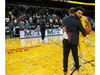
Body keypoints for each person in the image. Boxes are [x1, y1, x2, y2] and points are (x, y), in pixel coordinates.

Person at [62, 7, 86, 75]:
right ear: (75, 12)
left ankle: (65, 71)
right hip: (74, 41)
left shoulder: (64, 19)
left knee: (65, 56)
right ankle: (78, 69)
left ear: (69, 13)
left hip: (65, 40)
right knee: (75, 55)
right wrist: (85, 32)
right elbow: (83, 32)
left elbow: (64, 28)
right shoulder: (77, 21)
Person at [70, 7, 92, 71]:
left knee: (82, 52)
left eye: (81, 13)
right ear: (75, 12)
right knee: (73, 52)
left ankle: (82, 63)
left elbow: (88, 23)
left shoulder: (84, 18)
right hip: (74, 37)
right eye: (79, 13)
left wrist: (90, 30)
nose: (80, 14)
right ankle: (72, 63)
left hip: (81, 37)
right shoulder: (72, 18)